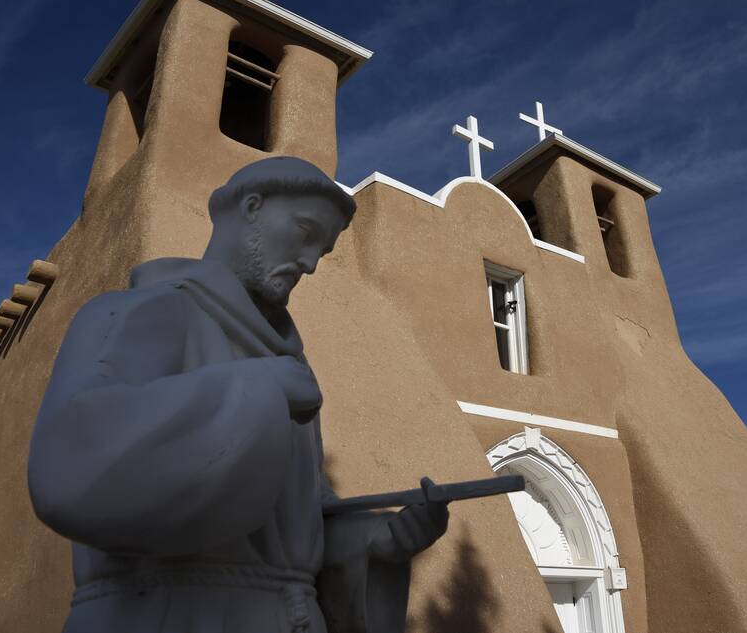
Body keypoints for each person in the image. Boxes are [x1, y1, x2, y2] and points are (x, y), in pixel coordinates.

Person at [28, 156, 449, 633]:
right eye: (306, 232)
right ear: (251, 207)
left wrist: (376, 543)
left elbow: (290, 526)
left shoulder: (288, 366)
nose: (310, 264)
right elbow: (71, 466)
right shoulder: (137, 313)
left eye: (323, 250)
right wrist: (260, 387)